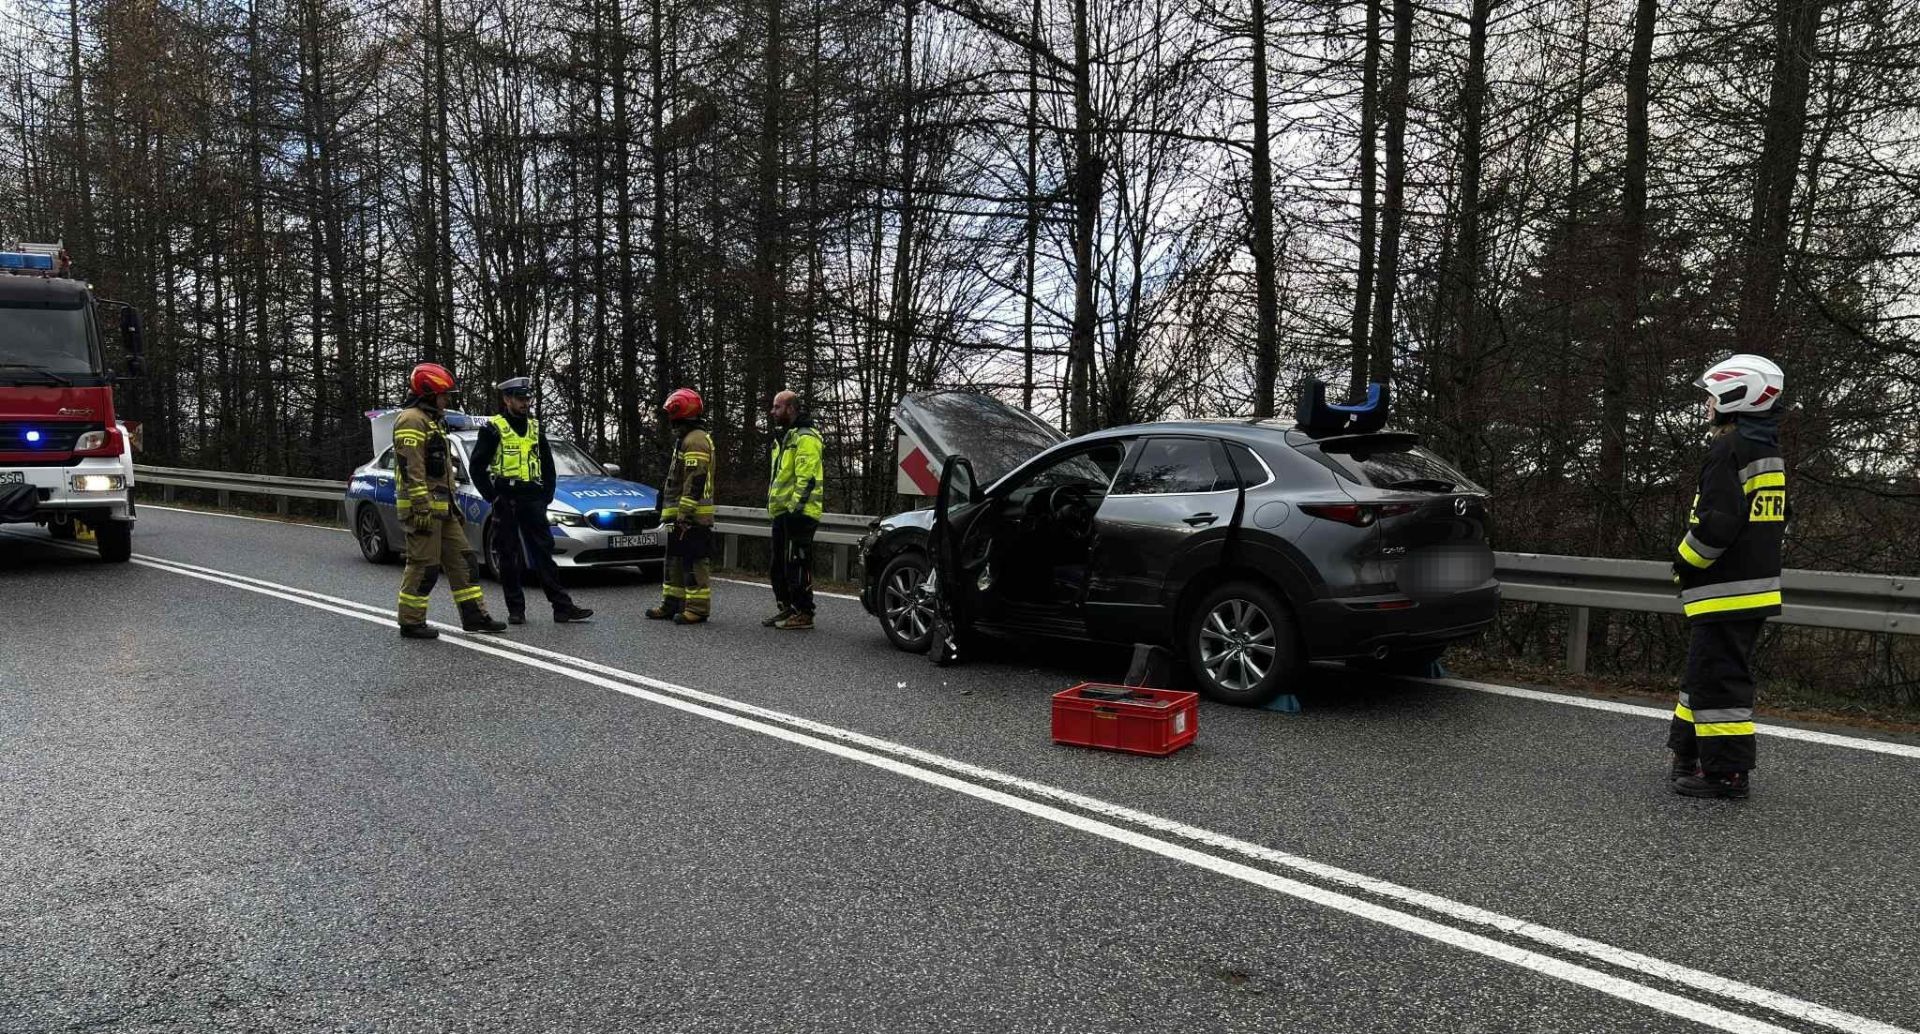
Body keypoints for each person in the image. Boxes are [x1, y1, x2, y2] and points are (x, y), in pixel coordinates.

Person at [1668, 353, 1787, 800]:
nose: (1706, 405)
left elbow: (1717, 523)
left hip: (1724, 589)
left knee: (1718, 680)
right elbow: (1777, 518)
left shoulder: (1727, 450)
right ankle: (1689, 753)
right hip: (1751, 586)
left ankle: (1727, 773)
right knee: (1704, 674)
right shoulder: (1766, 449)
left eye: (1711, 397)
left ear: (1737, 397)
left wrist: (1684, 561)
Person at [393, 362, 508, 639]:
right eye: (444, 395)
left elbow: (441, 472)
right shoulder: (412, 420)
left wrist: (453, 507)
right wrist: (420, 505)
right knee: (424, 567)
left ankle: (474, 615)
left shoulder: (433, 421)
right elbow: (412, 467)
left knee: (464, 561)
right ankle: (411, 621)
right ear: (430, 393)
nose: (447, 400)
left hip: (443, 510)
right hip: (423, 512)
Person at [469, 376, 593, 626]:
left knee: (544, 553)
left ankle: (562, 607)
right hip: (507, 498)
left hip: (533, 498)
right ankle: (516, 610)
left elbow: (547, 464)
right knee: (509, 555)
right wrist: (493, 497)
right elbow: (477, 467)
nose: (525, 403)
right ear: (507, 400)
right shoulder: (493, 428)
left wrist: (547, 495)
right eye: (519, 398)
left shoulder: (535, 428)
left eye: (527, 398)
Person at [646, 388, 716, 624]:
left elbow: (694, 481)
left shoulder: (695, 440)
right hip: (680, 517)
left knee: (694, 562)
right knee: (674, 561)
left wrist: (685, 514)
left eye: (672, 416)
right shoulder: (685, 439)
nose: (670, 422)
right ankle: (672, 603)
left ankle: (697, 609)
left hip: (693, 517)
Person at [764, 390, 824, 630]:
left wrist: (795, 510)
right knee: (778, 566)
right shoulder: (786, 437)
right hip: (783, 513)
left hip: (799, 513)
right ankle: (789, 607)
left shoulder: (805, 437)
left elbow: (806, 478)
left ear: (790, 409)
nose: (772, 412)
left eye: (777, 407)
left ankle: (804, 612)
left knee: (797, 564)